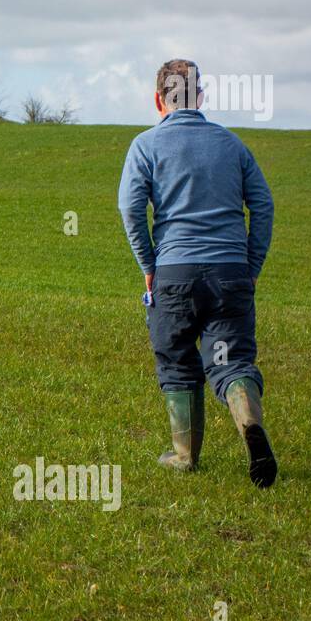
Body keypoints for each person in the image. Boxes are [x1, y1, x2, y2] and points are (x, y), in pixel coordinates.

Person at [118, 59, 278, 487]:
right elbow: (263, 205)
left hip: (174, 274)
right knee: (230, 360)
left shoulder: (146, 145)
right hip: (230, 275)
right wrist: (252, 264)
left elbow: (130, 208)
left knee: (178, 361)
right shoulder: (231, 145)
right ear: (200, 97)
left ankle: (185, 456)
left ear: (159, 99)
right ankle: (247, 421)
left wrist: (149, 266)